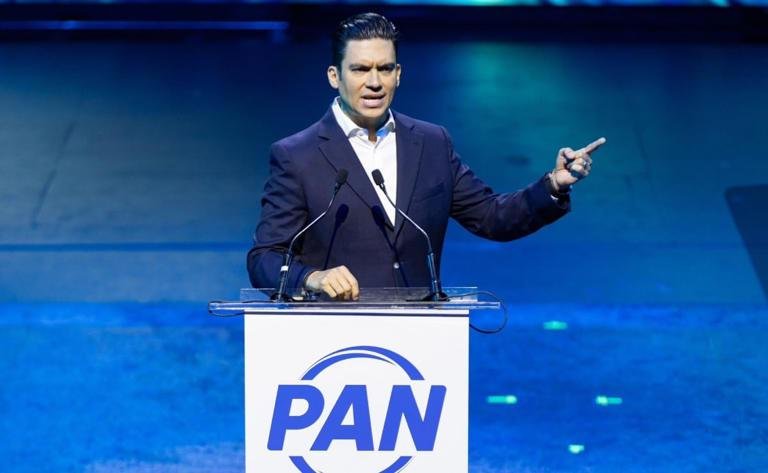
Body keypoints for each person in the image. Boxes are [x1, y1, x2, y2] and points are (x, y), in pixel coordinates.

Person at [247, 12, 605, 300]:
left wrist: (553, 185)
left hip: (421, 344)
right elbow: (265, 258)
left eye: (385, 68)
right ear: (334, 76)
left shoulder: (432, 143)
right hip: (335, 343)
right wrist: (311, 278)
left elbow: (492, 217)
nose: (375, 82)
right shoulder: (298, 155)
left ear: (398, 74)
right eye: (360, 69)